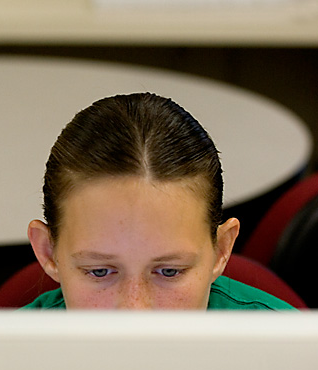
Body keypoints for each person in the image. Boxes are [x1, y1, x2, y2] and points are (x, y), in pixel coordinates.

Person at [22, 93, 295, 310]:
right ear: (48, 252)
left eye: (169, 271)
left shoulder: (295, 357)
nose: (135, 310)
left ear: (222, 250)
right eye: (100, 271)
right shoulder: (1, 366)